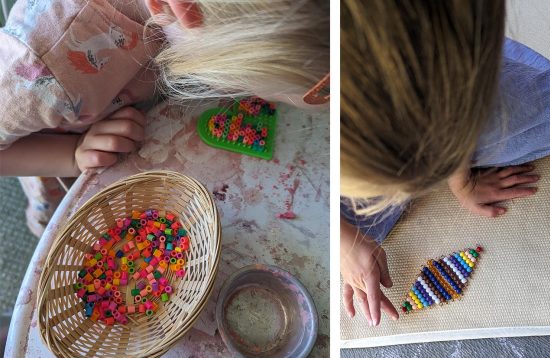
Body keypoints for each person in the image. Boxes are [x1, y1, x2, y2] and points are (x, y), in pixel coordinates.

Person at [341, 0, 550, 326]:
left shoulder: (442, 49)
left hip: (449, 75)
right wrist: (344, 242)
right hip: (382, 106)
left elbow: (454, 117)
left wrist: (461, 180)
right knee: (349, 237)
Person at [0, 0, 329, 235]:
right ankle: (40, 226)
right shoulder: (40, 69)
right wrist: (71, 155)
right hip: (52, 145)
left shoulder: (194, 20)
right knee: (58, 217)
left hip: (133, 100)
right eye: (242, 78)